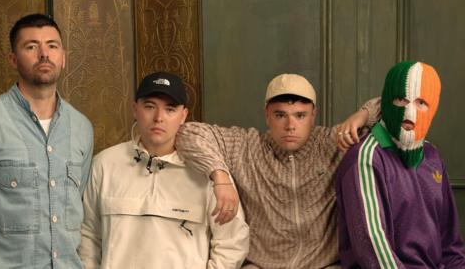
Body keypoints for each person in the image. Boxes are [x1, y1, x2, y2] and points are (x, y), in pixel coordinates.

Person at [175, 73, 380, 268]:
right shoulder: (246, 147)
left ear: (313, 115)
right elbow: (189, 133)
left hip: (324, 264)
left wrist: (361, 115)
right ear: (267, 115)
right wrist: (219, 176)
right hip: (261, 265)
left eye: (300, 116)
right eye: (280, 115)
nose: (290, 125)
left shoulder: (335, 142)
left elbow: (393, 105)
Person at [79, 71, 249, 269]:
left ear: (183, 115)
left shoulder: (213, 175)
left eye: (170, 109)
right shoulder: (104, 165)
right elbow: (88, 237)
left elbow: (232, 243)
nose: (159, 117)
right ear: (135, 109)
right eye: (150, 106)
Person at [0, 13, 94, 268]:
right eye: (31, 46)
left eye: (52, 46)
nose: (44, 54)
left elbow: (83, 214)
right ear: (13, 59)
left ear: (63, 57)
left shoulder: (82, 128)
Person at [335, 61, 465, 268]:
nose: (410, 113)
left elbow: (451, 241)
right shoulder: (366, 158)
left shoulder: (432, 156)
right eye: (401, 100)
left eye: (421, 102)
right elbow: (371, 249)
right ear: (386, 101)